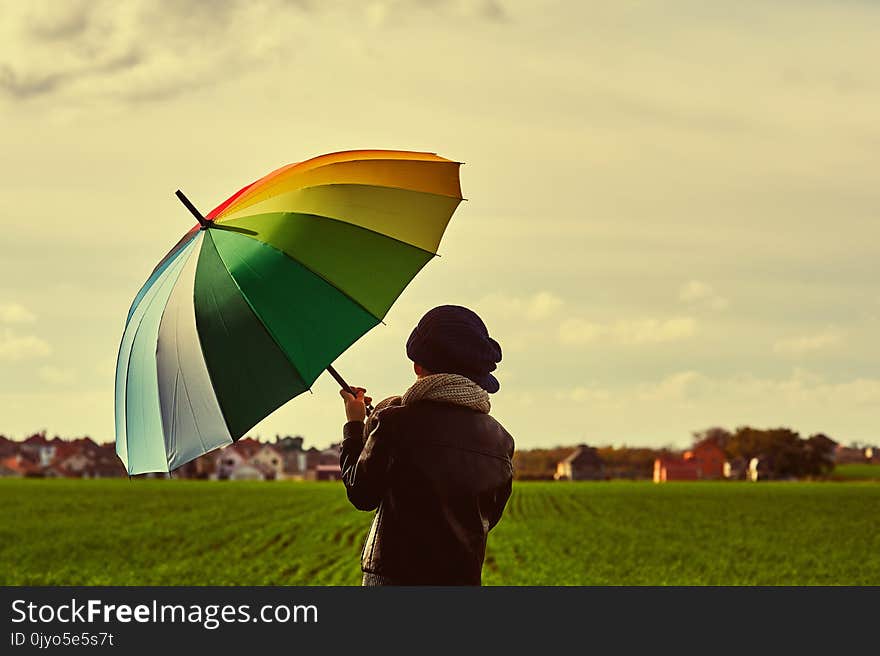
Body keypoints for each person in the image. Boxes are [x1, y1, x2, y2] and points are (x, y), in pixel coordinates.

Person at [339, 305, 515, 586]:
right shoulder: (501, 440)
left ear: (418, 366)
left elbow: (361, 494)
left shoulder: (394, 423)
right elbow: (488, 518)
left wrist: (355, 425)